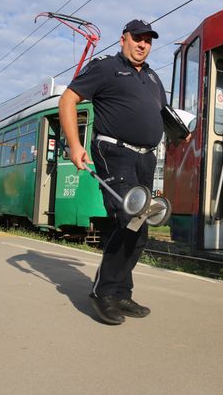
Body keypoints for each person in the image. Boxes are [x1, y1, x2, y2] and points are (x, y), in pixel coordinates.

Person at [59, 19, 167, 325]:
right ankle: (103, 294)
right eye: (138, 38)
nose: (143, 44)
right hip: (114, 153)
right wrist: (75, 144)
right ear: (124, 39)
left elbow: (162, 115)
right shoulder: (106, 68)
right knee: (128, 217)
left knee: (140, 228)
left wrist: (180, 130)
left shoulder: (153, 77)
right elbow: (68, 99)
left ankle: (121, 293)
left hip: (145, 160)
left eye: (148, 40)